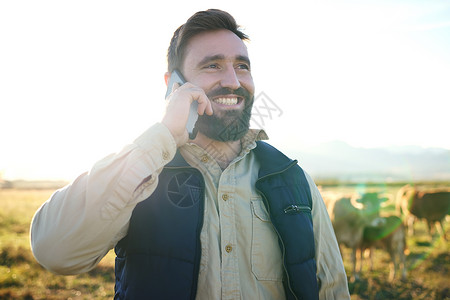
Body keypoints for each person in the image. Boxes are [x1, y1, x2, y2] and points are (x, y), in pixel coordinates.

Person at [31, 9, 350, 300]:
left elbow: (332, 289)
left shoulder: (293, 178)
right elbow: (55, 251)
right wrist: (164, 135)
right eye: (213, 65)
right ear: (174, 85)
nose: (233, 81)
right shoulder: (140, 170)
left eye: (242, 66)